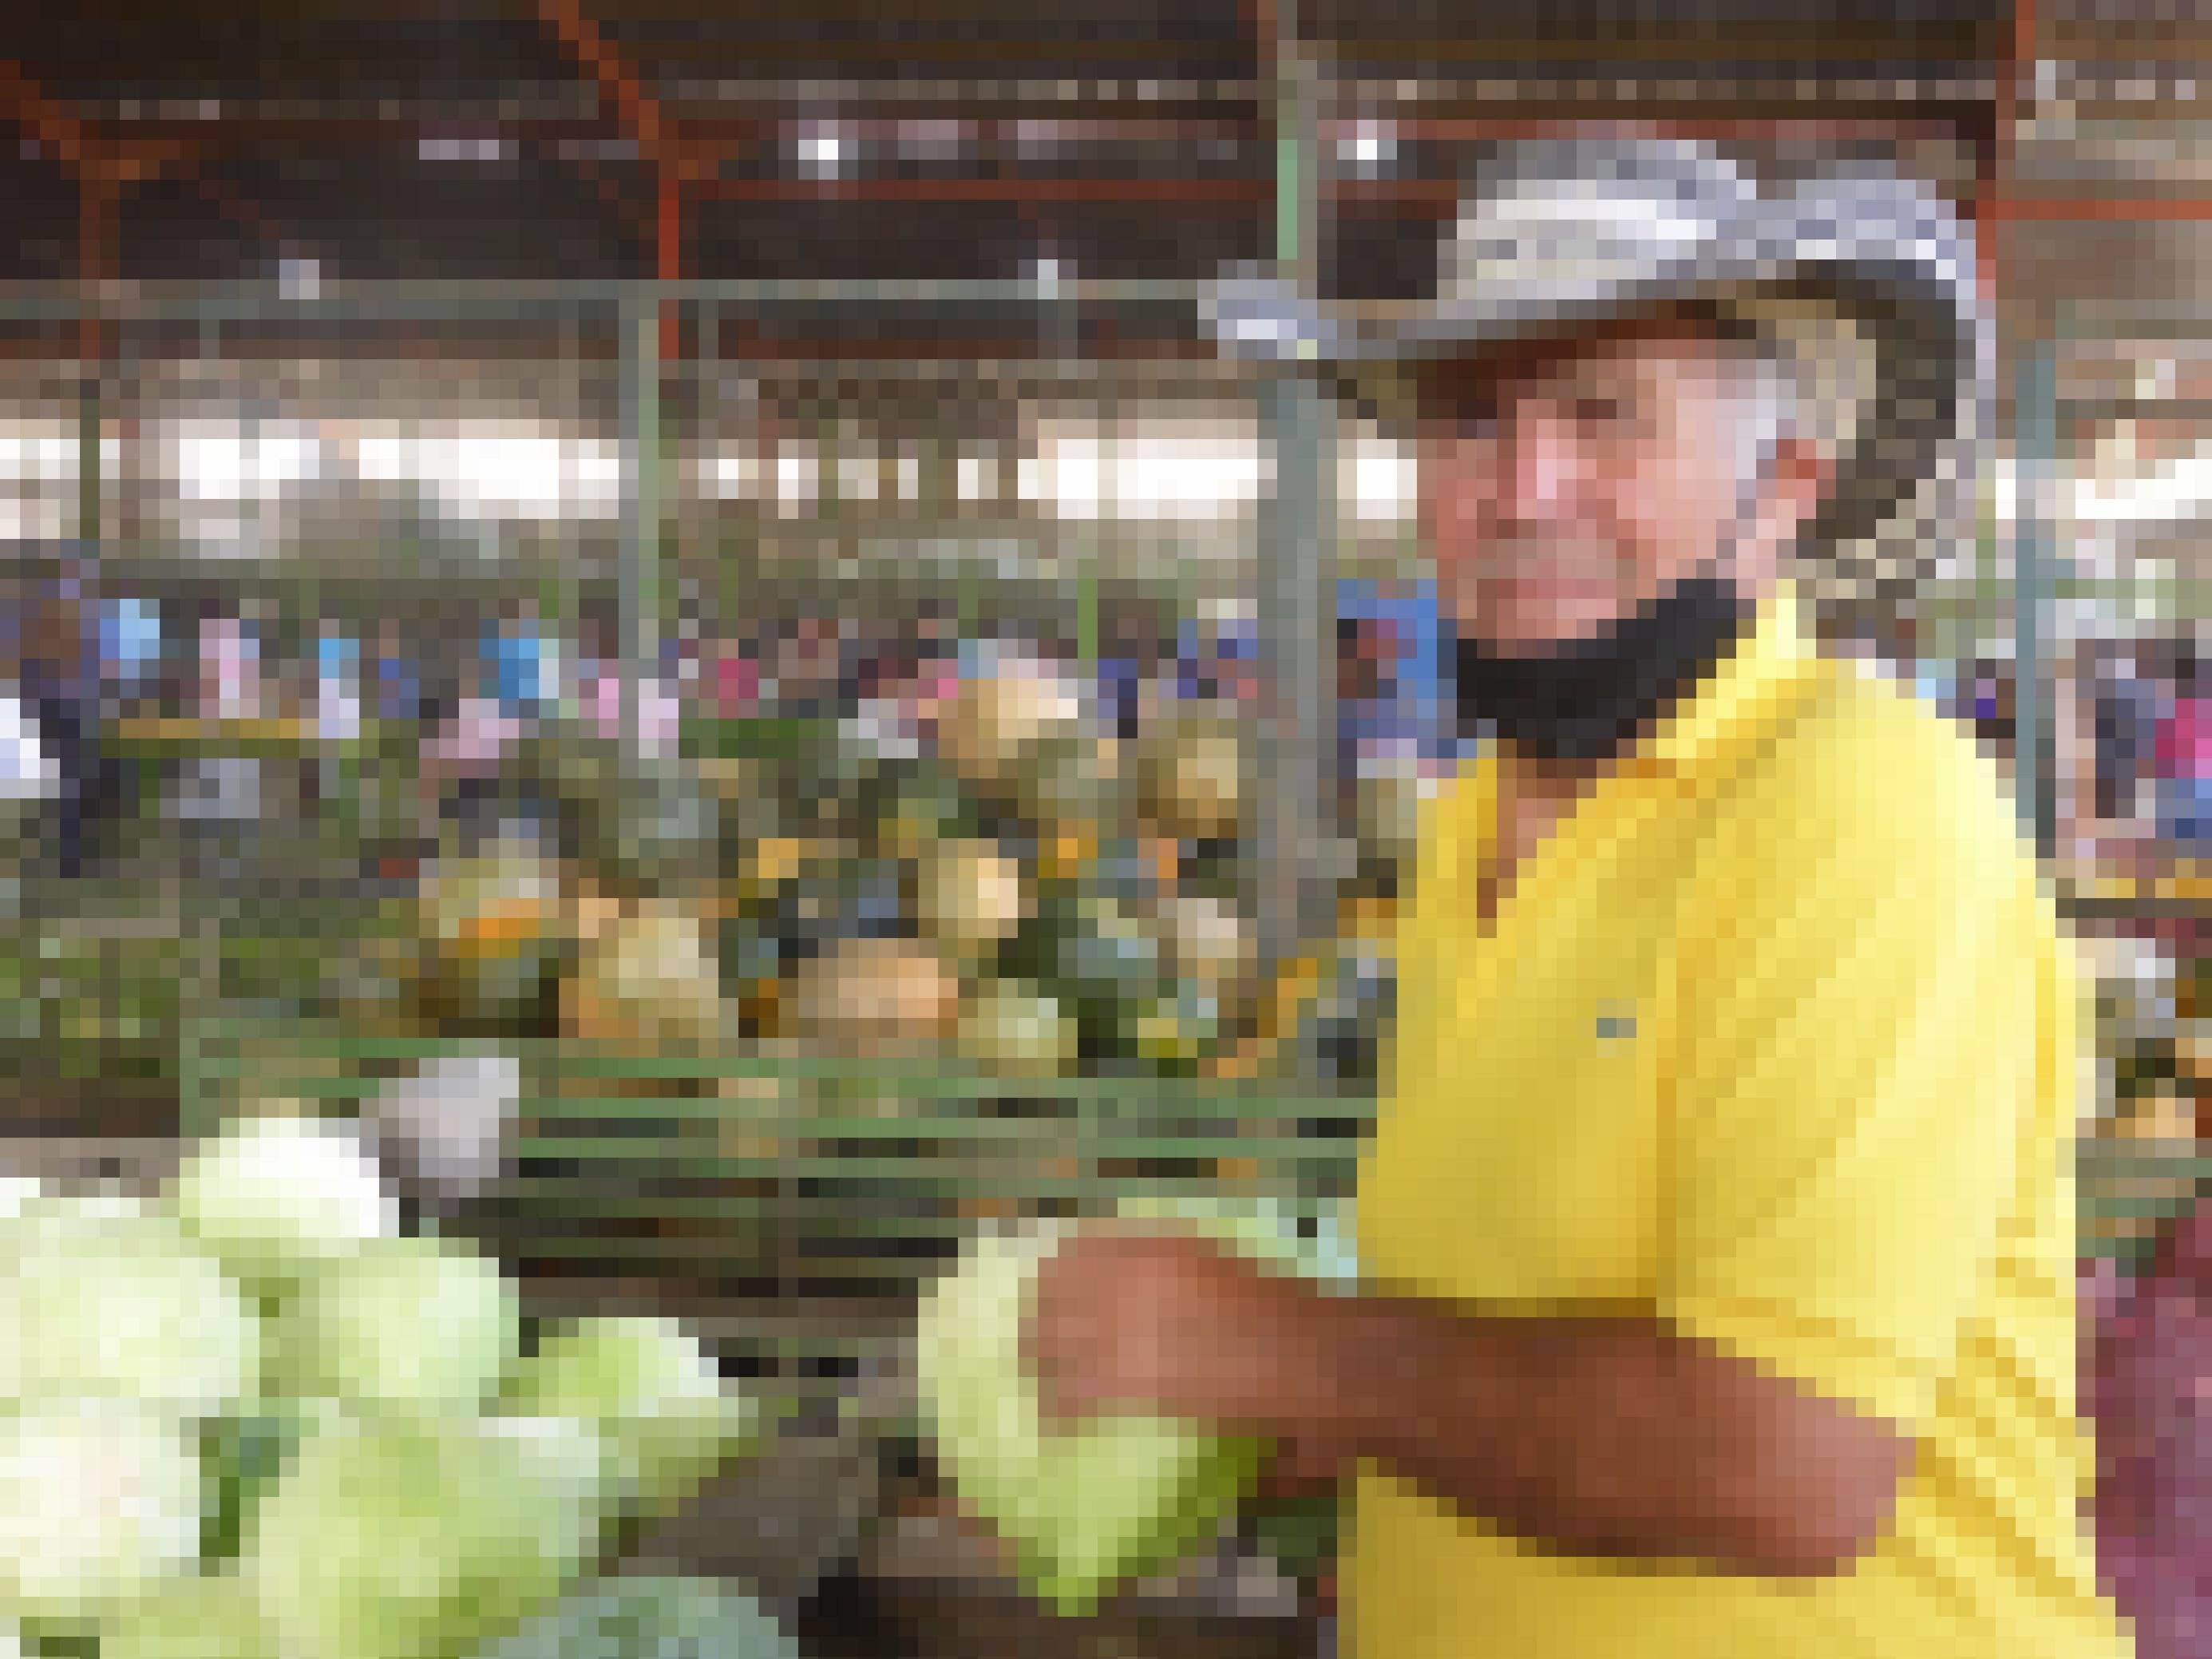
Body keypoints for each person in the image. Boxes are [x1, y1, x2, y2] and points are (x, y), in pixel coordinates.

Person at [1023, 137, 2131, 1657]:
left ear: (1780, 493)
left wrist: (1279, 1348)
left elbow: (1783, 1464)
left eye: (1604, 414)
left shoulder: (1860, 813)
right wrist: (1303, 1418)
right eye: (1472, 422)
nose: (1524, 488)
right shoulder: (1475, 810)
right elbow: (1504, 1307)